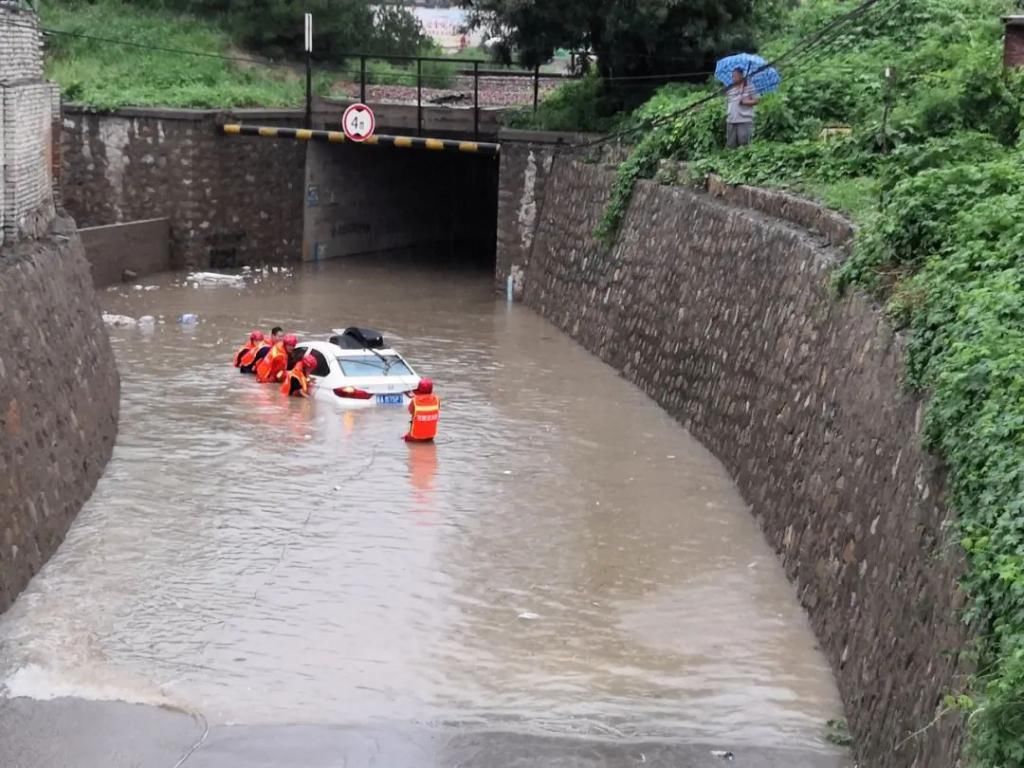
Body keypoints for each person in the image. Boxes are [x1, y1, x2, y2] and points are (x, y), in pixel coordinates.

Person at [726, 68, 759, 149]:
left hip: (744, 120)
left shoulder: (750, 87)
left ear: (741, 76)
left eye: (735, 76)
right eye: (732, 76)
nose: (733, 78)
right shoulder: (731, 88)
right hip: (731, 119)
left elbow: (756, 101)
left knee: (744, 144)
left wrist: (744, 102)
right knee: (731, 145)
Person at [404, 378, 440, 443]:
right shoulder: (437, 400)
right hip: (430, 437)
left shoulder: (414, 400)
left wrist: (416, 397)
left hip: (414, 438)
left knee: (401, 438)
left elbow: (410, 411)